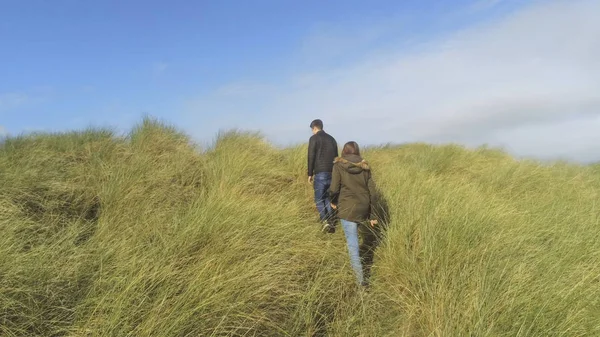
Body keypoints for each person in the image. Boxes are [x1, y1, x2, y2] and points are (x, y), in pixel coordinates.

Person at [329, 141, 379, 287]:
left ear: (344, 152)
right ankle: (360, 272)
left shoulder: (338, 165)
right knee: (355, 238)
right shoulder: (365, 167)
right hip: (363, 207)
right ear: (357, 152)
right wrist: (373, 215)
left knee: (353, 245)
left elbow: (333, 188)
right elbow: (373, 193)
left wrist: (332, 201)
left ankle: (360, 282)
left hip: (347, 208)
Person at [307, 119, 338, 233]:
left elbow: (311, 156)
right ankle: (330, 221)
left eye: (312, 129)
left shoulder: (313, 139)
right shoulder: (332, 139)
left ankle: (325, 221)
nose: (312, 132)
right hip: (332, 173)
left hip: (320, 173)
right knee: (328, 198)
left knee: (319, 199)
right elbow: (336, 158)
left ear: (315, 128)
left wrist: (310, 173)